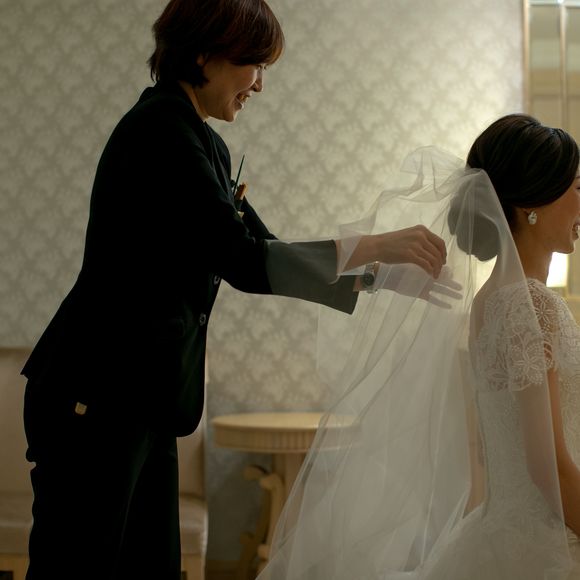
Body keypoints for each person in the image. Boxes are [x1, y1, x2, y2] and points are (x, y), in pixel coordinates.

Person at [20, 1, 451, 579]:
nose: (260, 85)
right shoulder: (159, 130)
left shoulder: (203, 141)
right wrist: (377, 245)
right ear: (204, 54)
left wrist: (382, 276)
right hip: (96, 393)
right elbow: (245, 259)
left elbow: (263, 249)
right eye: (255, 65)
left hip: (146, 397)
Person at [258, 114, 580, 580]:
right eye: (576, 187)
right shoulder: (532, 306)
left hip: (507, 532)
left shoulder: (490, 302)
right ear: (532, 203)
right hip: (548, 539)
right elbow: (546, 466)